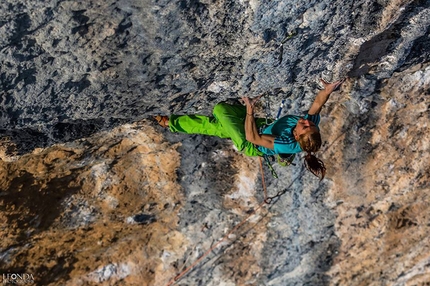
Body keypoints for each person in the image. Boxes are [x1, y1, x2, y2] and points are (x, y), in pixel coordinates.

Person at [155, 78, 345, 180]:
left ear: (296, 135)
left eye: (305, 126)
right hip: (262, 126)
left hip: (250, 141)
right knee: (216, 126)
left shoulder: (286, 142)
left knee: (221, 110)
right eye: (310, 124)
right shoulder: (308, 128)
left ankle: (169, 122)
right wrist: (328, 89)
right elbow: (318, 105)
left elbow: (252, 137)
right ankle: (170, 123)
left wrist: (249, 110)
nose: (306, 122)